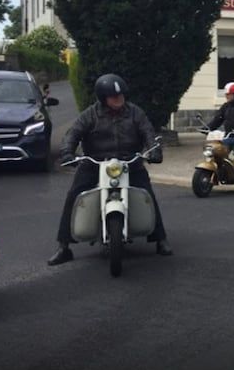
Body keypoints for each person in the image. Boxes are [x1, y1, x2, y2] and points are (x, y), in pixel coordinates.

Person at [48, 74, 171, 266]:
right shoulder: (90, 114)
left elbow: (148, 132)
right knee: (74, 195)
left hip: (129, 162)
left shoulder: (135, 113)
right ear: (103, 98)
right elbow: (73, 134)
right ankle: (64, 246)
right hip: (95, 163)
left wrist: (154, 150)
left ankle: (160, 239)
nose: (119, 99)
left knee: (147, 193)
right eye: (114, 96)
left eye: (121, 95)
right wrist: (67, 153)